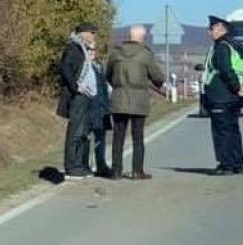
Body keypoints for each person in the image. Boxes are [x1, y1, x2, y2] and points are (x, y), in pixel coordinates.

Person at [107, 25, 165, 179]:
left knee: (118, 136)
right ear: (142, 38)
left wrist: (118, 86)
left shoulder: (115, 53)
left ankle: (116, 171)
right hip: (139, 99)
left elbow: (108, 74)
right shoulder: (145, 54)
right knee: (137, 137)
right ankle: (137, 170)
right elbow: (158, 77)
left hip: (119, 97)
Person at [202, 15, 243, 175]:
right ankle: (237, 162)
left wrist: (236, 87)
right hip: (234, 96)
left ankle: (226, 164)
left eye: (212, 29)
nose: (209, 32)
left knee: (221, 131)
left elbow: (226, 69)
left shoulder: (222, 47)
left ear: (221, 29)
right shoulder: (237, 46)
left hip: (221, 94)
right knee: (233, 129)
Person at [56, 22, 98, 179]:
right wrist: (75, 87)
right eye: (92, 33)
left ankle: (80, 164)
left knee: (83, 132)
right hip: (78, 96)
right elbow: (65, 68)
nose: (93, 37)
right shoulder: (73, 48)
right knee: (75, 131)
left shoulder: (83, 50)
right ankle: (71, 166)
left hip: (86, 95)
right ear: (84, 34)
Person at [87, 45, 113, 178]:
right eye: (89, 50)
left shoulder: (99, 66)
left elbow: (105, 87)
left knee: (101, 138)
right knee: (87, 137)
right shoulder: (85, 66)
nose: (92, 52)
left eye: (93, 50)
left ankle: (101, 164)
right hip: (90, 106)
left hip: (102, 106)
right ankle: (86, 164)